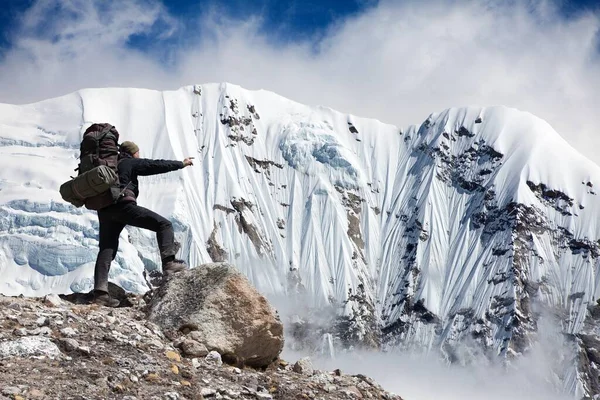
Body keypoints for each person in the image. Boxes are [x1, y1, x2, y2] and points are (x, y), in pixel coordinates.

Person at [92, 141, 194, 307]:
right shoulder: (129, 162)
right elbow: (154, 165)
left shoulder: (111, 166)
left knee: (106, 249)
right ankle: (169, 264)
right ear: (133, 153)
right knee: (164, 225)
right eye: (137, 152)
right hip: (123, 207)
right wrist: (180, 164)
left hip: (105, 211)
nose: (138, 154)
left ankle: (100, 293)